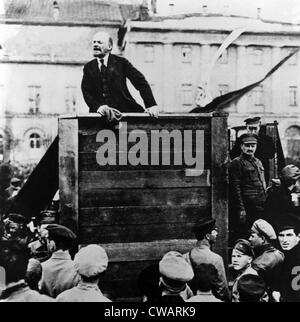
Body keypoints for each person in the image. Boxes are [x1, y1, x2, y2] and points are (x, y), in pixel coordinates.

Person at [81, 31, 159, 118]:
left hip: (124, 112)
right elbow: (86, 91)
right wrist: (98, 106)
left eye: (99, 42)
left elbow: (140, 82)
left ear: (109, 47)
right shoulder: (88, 67)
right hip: (100, 115)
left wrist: (151, 105)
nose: (95, 45)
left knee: (128, 130)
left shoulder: (121, 63)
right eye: (94, 42)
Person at [183, 217, 230, 302]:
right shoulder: (216, 259)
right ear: (208, 236)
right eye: (215, 231)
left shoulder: (186, 256)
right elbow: (222, 289)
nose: (217, 234)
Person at [229, 133, 266, 236]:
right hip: (247, 206)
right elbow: (235, 187)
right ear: (242, 147)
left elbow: (262, 183)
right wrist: (241, 209)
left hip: (260, 205)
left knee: (259, 234)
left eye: (253, 146)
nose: (250, 148)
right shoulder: (237, 163)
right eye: (247, 146)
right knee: (245, 233)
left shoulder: (258, 162)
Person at [230, 117, 275, 183]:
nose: (253, 131)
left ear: (259, 126)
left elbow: (271, 154)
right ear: (247, 127)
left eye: (255, 128)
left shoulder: (267, 140)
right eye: (250, 128)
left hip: (261, 173)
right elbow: (233, 155)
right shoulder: (241, 139)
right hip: (245, 173)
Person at [40, 224, 80, 298]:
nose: (47, 244)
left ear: (53, 244)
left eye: (48, 241)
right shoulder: (77, 268)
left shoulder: (41, 267)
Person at [249, 219, 284, 294]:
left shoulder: (259, 263)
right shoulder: (279, 254)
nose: (250, 239)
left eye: (252, 236)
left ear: (262, 239)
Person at [264, 164, 300, 230]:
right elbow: (279, 214)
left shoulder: (291, 192)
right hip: (282, 227)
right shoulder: (277, 193)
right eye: (296, 180)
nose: (297, 183)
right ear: (291, 181)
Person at [276, 219, 300, 302]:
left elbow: (296, 293)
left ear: (298, 237)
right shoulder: (286, 254)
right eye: (281, 235)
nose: (284, 240)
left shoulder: (296, 258)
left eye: (289, 235)